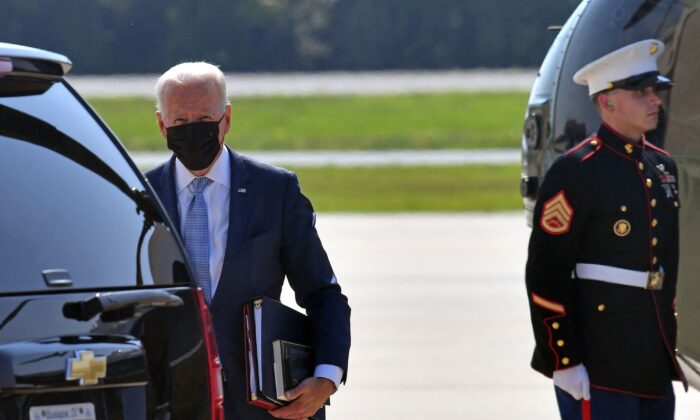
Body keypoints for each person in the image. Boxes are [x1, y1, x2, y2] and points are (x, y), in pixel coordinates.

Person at [146, 62, 351, 420]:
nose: (193, 129)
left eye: (204, 118)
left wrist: (327, 377)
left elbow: (322, 292)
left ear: (226, 118)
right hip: (174, 402)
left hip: (266, 405)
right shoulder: (140, 199)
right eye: (180, 121)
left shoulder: (275, 191)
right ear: (162, 125)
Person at [525, 39, 686, 419]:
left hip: (652, 359)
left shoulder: (662, 167)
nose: (655, 100)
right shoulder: (576, 171)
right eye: (641, 92)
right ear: (607, 101)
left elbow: (666, 265)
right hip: (599, 361)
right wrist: (563, 358)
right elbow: (545, 273)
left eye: (655, 91)